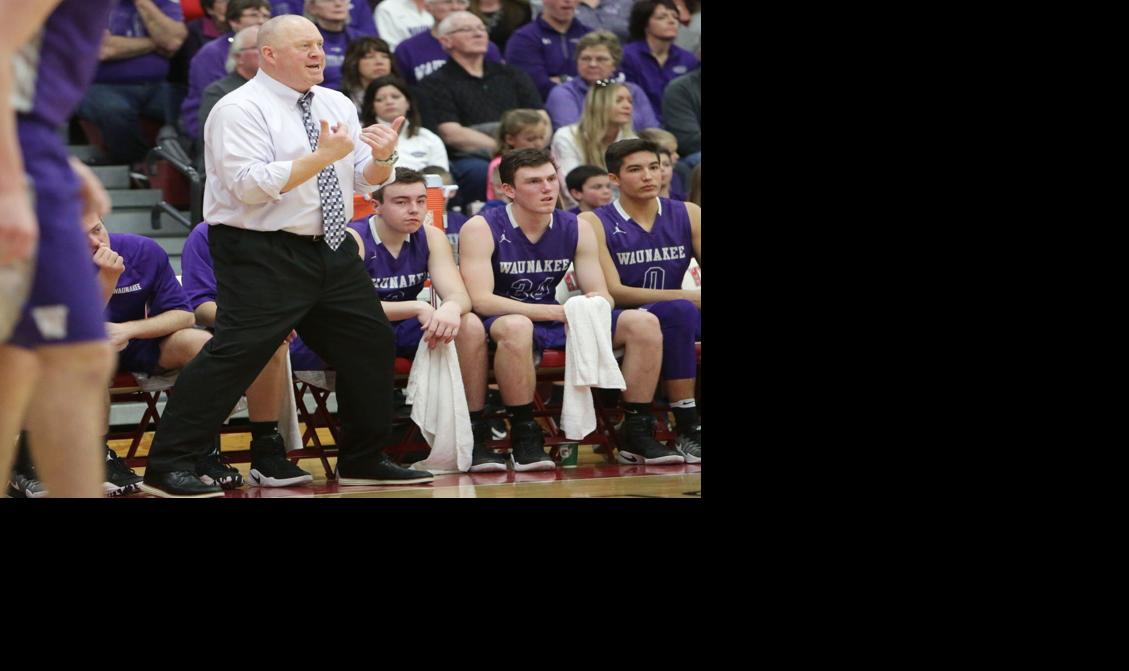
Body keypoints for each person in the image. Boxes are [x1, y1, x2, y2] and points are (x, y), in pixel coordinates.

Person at [139, 14, 431, 497]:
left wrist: (382, 158)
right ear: (269, 54)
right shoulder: (239, 109)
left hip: (330, 245)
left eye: (319, 44)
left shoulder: (336, 102)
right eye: (304, 46)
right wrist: (321, 156)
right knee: (236, 355)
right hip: (261, 248)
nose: (318, 53)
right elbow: (249, 187)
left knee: (370, 340)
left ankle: (362, 459)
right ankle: (167, 464)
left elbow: (362, 181)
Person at [458, 148, 684, 469]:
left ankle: (635, 429)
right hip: (502, 320)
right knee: (516, 326)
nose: (547, 188)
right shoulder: (481, 227)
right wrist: (559, 313)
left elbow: (602, 295)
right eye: (534, 181)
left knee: (642, 323)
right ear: (508, 189)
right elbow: (481, 299)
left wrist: (586, 307)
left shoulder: (576, 226)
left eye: (551, 179)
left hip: (557, 317)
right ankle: (525, 433)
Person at [2, 0, 119, 498]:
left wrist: (62, 164)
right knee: (74, 357)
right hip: (19, 152)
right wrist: (10, 185)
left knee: (19, 360)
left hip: (32, 142)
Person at [580, 138, 700, 461]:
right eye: (635, 169)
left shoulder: (688, 213)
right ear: (615, 179)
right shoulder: (593, 221)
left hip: (678, 317)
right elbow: (615, 291)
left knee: (679, 313)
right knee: (679, 310)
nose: (649, 176)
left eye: (654, 167)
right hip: (621, 319)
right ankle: (688, 424)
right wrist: (689, 297)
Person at [178, 221, 315, 488]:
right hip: (220, 330)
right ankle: (204, 452)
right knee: (264, 339)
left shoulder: (290, 229)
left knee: (273, 340)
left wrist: (278, 322)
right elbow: (199, 306)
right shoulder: (205, 233)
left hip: (283, 330)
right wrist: (258, 323)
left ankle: (268, 453)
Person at [417, 10, 542, 205]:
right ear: (446, 41)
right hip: (473, 156)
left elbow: (541, 117)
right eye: (467, 29)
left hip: (524, 145)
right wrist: (506, 150)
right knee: (482, 171)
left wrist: (528, 144)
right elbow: (452, 134)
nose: (478, 33)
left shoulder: (512, 74)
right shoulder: (434, 83)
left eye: (481, 28)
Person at [76, 0, 188, 164]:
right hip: (101, 85)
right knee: (114, 111)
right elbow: (104, 48)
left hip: (157, 85)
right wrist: (154, 42)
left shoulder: (162, 2)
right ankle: (138, 165)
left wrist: (142, 2)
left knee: (188, 107)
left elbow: (173, 41)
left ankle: (186, 163)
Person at [180, 0, 270, 139]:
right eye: (253, 15)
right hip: (214, 125)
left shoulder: (271, 50)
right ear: (234, 22)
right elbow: (212, 101)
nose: (261, 21)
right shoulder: (211, 53)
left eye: (265, 16)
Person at [544, 30, 657, 132]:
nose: (592, 64)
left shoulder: (633, 91)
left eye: (601, 59)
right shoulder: (564, 93)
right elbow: (571, 134)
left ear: (614, 64)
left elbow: (652, 131)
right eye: (586, 59)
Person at [619, 0, 698, 125]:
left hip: (681, 125)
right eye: (662, 17)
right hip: (638, 125)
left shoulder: (689, 59)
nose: (672, 21)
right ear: (645, 23)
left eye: (675, 17)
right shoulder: (627, 56)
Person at [392, 0, 503, 86]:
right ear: (428, 7)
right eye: (447, 1)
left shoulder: (484, 46)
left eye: (461, 2)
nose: (455, 7)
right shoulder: (407, 49)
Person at [503, 0, 588, 101]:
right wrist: (587, 85)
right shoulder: (523, 39)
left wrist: (563, 80)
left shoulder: (591, 36)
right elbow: (536, 86)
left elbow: (609, 82)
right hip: (545, 109)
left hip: (596, 108)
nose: (568, 1)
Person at [550, 78, 634, 180]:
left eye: (630, 101)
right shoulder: (567, 137)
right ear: (599, 105)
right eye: (618, 100)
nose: (627, 106)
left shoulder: (631, 140)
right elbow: (571, 186)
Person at [361, 75, 448, 170]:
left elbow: (442, 178)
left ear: (408, 103)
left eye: (395, 97)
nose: (389, 102)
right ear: (372, 108)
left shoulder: (429, 138)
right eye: (380, 99)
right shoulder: (361, 138)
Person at [198, 24, 262, 138]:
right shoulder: (218, 93)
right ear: (238, 57)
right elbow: (212, 139)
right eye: (257, 47)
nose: (267, 53)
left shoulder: (276, 87)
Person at [485, 108, 550, 201]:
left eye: (541, 137)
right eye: (531, 139)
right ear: (510, 139)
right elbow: (503, 198)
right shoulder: (500, 164)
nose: (539, 144)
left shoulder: (547, 159)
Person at [306, 0, 368, 91]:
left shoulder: (362, 40)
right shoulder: (304, 41)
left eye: (343, 0)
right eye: (329, 0)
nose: (338, 4)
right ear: (312, 7)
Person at [339, 36, 396, 113]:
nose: (379, 62)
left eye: (385, 56)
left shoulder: (410, 93)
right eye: (370, 57)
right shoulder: (340, 98)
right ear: (354, 62)